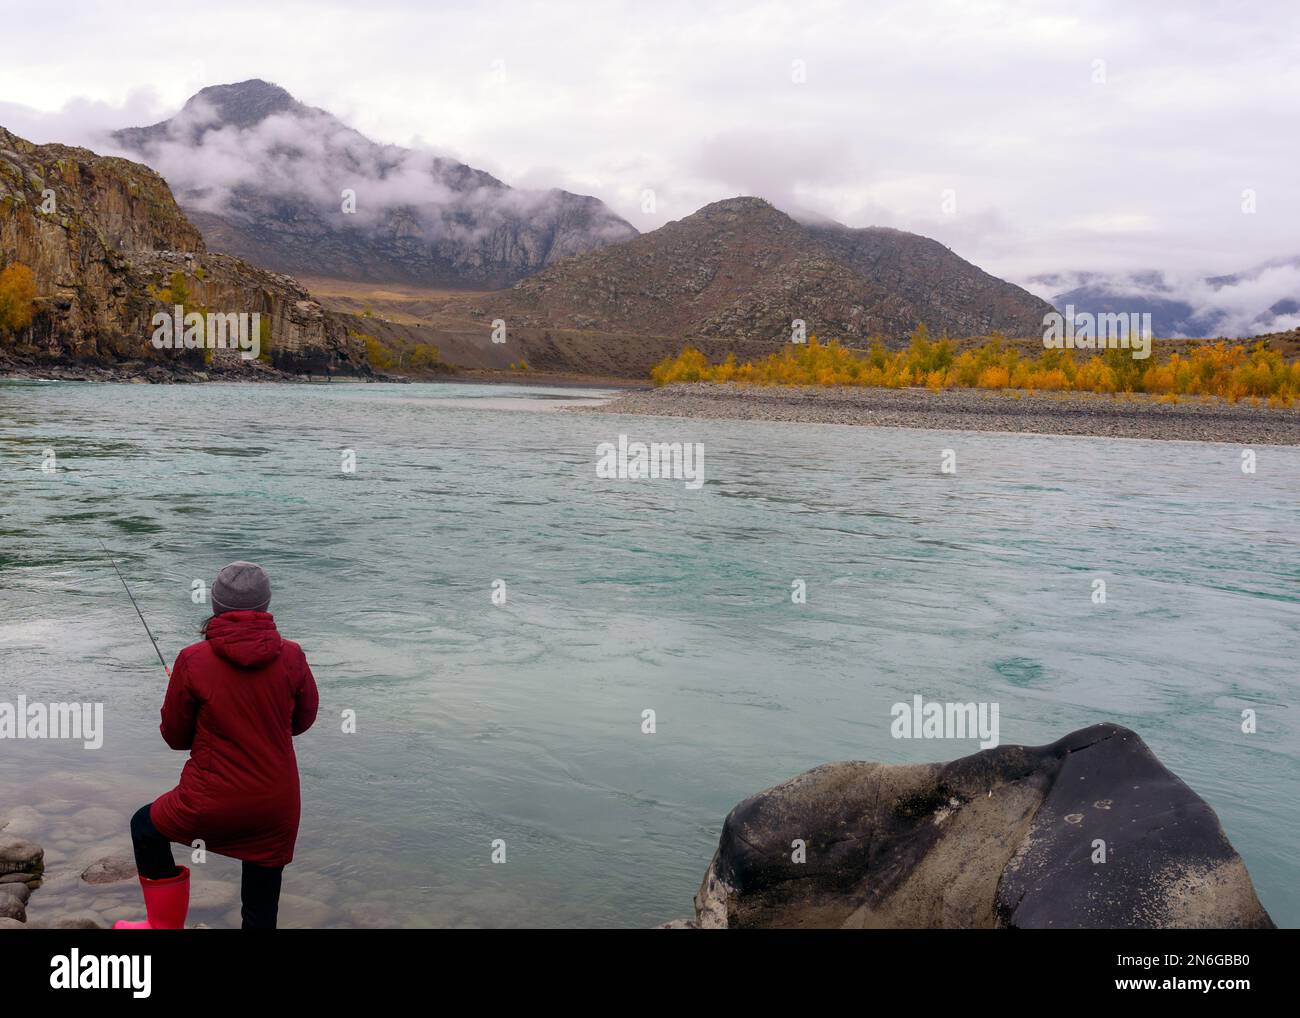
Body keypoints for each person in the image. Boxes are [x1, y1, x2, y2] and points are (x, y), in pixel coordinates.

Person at [114, 562, 319, 930]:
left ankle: (163, 926)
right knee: (260, 900)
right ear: (266, 605)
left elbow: (175, 737)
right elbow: (301, 722)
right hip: (276, 804)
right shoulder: (293, 656)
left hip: (211, 801)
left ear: (215, 606)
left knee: (145, 827)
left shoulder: (193, 660)